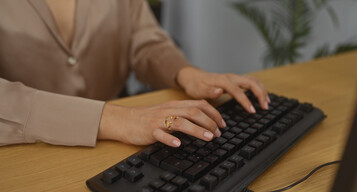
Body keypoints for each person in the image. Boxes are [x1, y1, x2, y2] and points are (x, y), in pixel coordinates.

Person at [0, 0, 269, 148]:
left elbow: (144, 39)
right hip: (27, 151)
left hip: (112, 146)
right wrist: (113, 119)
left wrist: (187, 75)